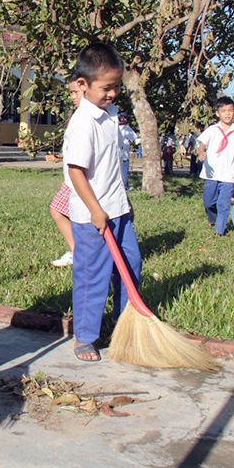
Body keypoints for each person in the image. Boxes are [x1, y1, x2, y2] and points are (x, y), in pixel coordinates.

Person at [62, 42, 142, 362]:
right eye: (106, 88)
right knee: (92, 274)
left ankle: (122, 323)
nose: (112, 93)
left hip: (117, 209)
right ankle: (85, 336)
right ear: (83, 85)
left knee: (130, 266)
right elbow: (76, 172)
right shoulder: (82, 123)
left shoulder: (109, 114)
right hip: (91, 215)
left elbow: (111, 165)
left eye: (116, 87)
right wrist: (96, 209)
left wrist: (123, 200)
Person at [196, 97, 234, 236]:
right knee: (208, 202)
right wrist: (201, 151)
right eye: (224, 111)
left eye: (230, 110)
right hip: (211, 173)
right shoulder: (212, 130)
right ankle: (212, 218)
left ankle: (219, 232)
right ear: (217, 113)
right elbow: (202, 143)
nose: (227, 114)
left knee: (224, 204)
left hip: (227, 174)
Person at [48, 76, 83, 267]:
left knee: (57, 210)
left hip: (80, 179)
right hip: (72, 179)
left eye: (76, 92)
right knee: (59, 210)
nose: (72, 97)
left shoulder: (88, 117)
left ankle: (77, 251)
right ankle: (77, 250)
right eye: (71, 92)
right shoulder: (78, 116)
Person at [118, 114, 138, 189]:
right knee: (124, 168)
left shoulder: (112, 126)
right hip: (124, 151)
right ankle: (125, 185)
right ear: (123, 118)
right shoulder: (126, 128)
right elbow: (133, 138)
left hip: (114, 151)